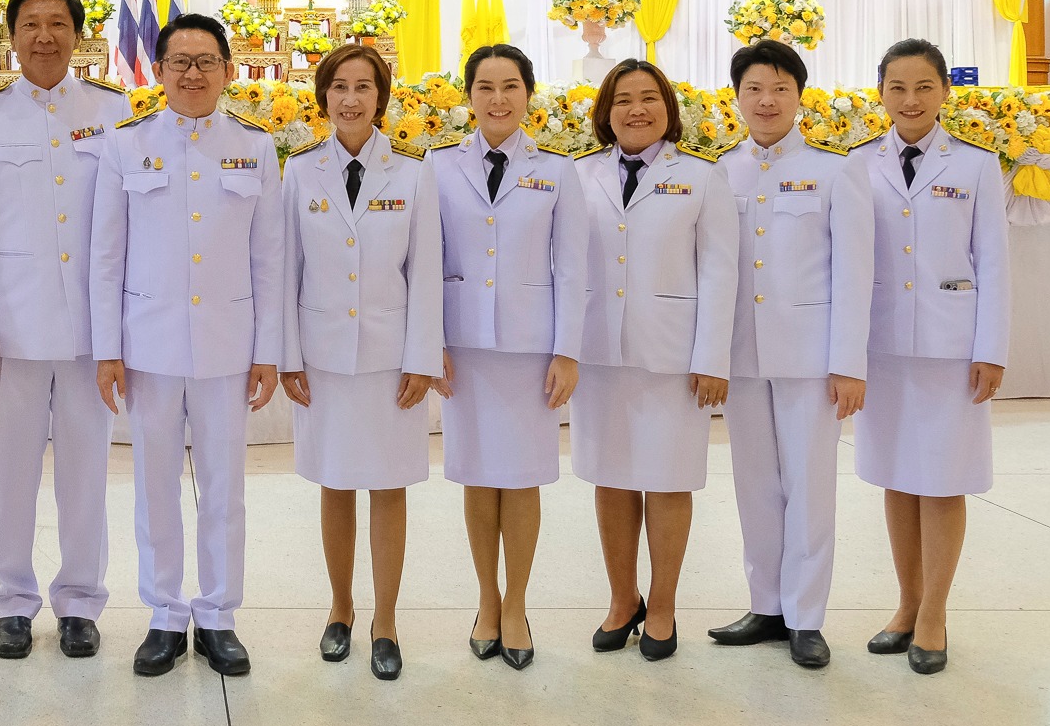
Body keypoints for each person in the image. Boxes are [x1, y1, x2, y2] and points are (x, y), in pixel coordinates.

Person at [91, 13, 283, 679]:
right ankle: (166, 613)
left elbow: (269, 257)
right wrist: (107, 348)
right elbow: (106, 255)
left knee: (224, 487)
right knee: (155, 486)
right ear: (160, 70)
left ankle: (220, 614)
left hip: (229, 346)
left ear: (228, 70)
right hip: (148, 345)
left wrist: (268, 350)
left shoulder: (254, 146)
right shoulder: (127, 144)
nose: (193, 73)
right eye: (180, 61)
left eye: (206, 62)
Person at [0, 0, 133, 661]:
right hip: (12, 330)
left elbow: (128, 223)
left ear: (78, 36)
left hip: (90, 332)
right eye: (31, 23)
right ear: (12, 36)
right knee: (11, 473)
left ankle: (81, 601)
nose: (45, 36)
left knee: (87, 472)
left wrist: (121, 329)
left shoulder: (112, 110)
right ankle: (14, 601)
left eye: (58, 23)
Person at [279, 44, 440, 681]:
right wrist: (287, 355)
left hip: (389, 358)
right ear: (323, 96)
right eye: (339, 86)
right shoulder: (300, 172)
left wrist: (423, 357)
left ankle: (386, 620)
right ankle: (340, 608)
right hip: (322, 357)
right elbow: (286, 269)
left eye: (364, 87)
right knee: (336, 483)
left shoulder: (413, 175)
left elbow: (425, 273)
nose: (350, 99)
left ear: (381, 97)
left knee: (389, 486)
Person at [711, 40, 874, 669]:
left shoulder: (835, 171)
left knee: (808, 486)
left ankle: (806, 617)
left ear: (799, 97)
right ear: (737, 97)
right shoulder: (721, 170)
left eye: (780, 88)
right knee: (754, 483)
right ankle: (766, 606)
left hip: (810, 357)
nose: (767, 101)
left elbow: (854, 274)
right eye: (754, 89)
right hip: (741, 354)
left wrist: (849, 363)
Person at [571, 58, 738, 662]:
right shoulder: (579, 174)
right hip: (598, 352)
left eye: (648, 98)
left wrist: (712, 355)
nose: (636, 110)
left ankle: (663, 604)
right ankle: (624, 599)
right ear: (605, 111)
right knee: (611, 477)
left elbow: (719, 271)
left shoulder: (701, 176)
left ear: (668, 108)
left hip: (674, 356)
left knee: (668, 480)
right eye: (622, 100)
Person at [854, 39, 1009, 675]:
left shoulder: (976, 165)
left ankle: (935, 614)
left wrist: (991, 348)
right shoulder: (858, 163)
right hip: (882, 346)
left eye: (924, 87)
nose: (910, 100)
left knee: (943, 479)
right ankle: (907, 604)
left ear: (945, 90)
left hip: (952, 347)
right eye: (897, 87)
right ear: (881, 93)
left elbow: (993, 263)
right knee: (896, 475)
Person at [428, 43, 585, 671]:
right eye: (486, 87)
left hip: (530, 350)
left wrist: (568, 350)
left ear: (528, 94)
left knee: (521, 479)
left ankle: (516, 603)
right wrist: (430, 341)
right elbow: (427, 261)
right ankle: (486, 600)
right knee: (476, 475)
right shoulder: (438, 166)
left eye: (511, 86)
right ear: (468, 95)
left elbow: (572, 268)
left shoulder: (558, 170)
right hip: (463, 347)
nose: (498, 99)